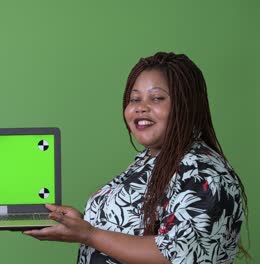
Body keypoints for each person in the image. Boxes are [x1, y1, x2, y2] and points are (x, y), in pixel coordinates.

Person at [24, 52, 248, 263]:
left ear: (186, 105)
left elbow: (174, 254)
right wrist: (81, 223)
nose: (141, 108)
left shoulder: (203, 173)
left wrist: (89, 234)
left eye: (157, 98)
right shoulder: (150, 160)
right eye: (134, 99)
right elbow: (134, 228)